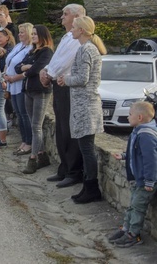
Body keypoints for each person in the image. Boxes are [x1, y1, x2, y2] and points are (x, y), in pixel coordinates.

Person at [57, 15, 107, 204]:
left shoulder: (86, 49)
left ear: (82, 31)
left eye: (75, 27)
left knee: (86, 149)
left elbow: (83, 79)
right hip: (83, 104)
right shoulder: (86, 48)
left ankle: (91, 187)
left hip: (85, 105)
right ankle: (87, 186)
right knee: (84, 147)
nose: (72, 30)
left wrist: (65, 80)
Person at [41, 4, 86, 188]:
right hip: (59, 84)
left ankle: (73, 171)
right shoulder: (68, 36)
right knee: (60, 128)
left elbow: (65, 62)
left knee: (69, 129)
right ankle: (64, 167)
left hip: (68, 86)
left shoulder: (77, 40)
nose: (61, 17)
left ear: (76, 17)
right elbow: (56, 59)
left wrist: (48, 73)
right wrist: (47, 70)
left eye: (65, 14)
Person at [109, 101, 157, 247]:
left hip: (145, 181)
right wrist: (124, 156)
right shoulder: (138, 130)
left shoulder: (146, 135)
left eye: (130, 115)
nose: (128, 117)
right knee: (132, 205)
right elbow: (135, 152)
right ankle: (126, 229)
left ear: (140, 117)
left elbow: (151, 160)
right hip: (138, 179)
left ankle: (133, 235)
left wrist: (149, 181)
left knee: (137, 207)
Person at [19, 25, 55, 175]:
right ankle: (42, 154)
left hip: (40, 91)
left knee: (36, 126)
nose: (33, 36)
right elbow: (17, 67)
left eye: (35, 34)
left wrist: (27, 68)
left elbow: (36, 69)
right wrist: (27, 67)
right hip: (28, 90)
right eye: (32, 33)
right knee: (32, 122)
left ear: (42, 35)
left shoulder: (46, 51)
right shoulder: (32, 51)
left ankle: (33, 159)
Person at [3, 23, 34, 156]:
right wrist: (5, 75)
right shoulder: (19, 46)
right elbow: (9, 62)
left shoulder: (31, 48)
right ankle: (24, 140)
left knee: (24, 114)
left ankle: (29, 142)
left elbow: (27, 67)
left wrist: (14, 77)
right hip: (11, 83)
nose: (20, 34)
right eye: (19, 32)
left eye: (22, 32)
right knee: (18, 113)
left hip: (19, 83)